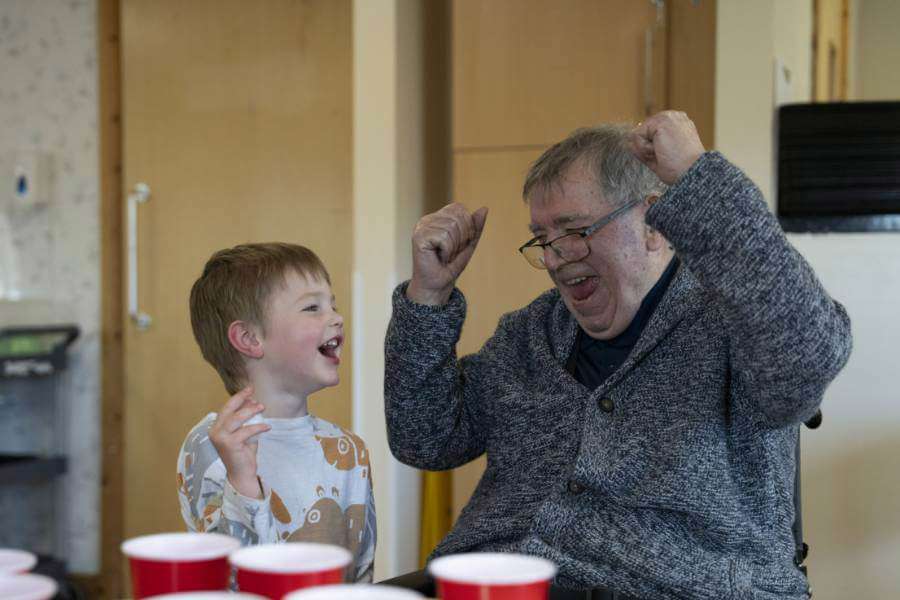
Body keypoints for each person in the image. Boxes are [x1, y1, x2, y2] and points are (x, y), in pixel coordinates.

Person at [383, 112, 851, 598]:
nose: (554, 257)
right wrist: (428, 296)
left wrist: (699, 177)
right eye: (543, 239)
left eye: (575, 230)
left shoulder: (732, 324)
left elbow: (811, 352)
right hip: (491, 581)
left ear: (654, 222)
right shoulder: (530, 334)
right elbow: (425, 439)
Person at [177, 242, 376, 582]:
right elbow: (226, 580)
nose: (337, 318)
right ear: (250, 338)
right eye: (313, 307)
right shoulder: (213, 444)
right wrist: (242, 481)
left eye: (333, 305)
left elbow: (359, 576)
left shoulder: (348, 450)